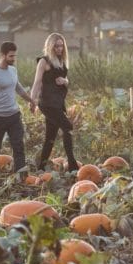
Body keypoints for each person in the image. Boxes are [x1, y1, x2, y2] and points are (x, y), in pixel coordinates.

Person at [0, 41, 35, 182]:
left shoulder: (13, 70)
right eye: (11, 56)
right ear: (2, 55)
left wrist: (31, 101)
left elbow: (19, 88)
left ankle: (21, 176)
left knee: (18, 145)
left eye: (15, 56)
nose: (13, 59)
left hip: (14, 115)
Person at [30, 33, 80, 172]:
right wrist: (32, 101)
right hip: (47, 103)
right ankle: (72, 165)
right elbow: (37, 82)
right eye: (56, 46)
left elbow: (65, 81)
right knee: (68, 127)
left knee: (50, 137)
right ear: (50, 46)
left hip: (58, 103)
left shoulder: (61, 61)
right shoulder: (44, 61)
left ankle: (41, 168)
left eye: (61, 46)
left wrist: (65, 81)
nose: (59, 49)